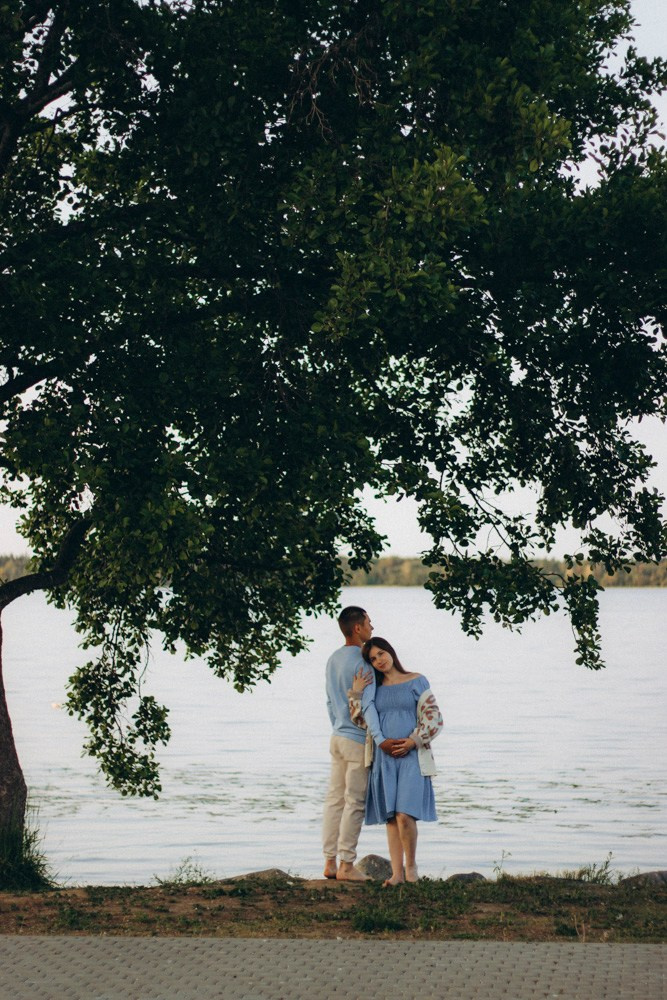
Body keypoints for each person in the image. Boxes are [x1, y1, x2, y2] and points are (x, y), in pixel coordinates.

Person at [349, 636, 443, 886]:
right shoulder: (374, 689)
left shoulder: (417, 680)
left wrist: (413, 741)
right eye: (373, 659)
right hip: (384, 757)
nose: (379, 660)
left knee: (405, 814)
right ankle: (396, 874)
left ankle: (411, 868)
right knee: (391, 818)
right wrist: (356, 692)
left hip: (412, 755)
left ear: (390, 651)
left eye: (381, 653)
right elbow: (360, 720)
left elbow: (434, 717)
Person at [321, 605, 379, 881]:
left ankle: (330, 862)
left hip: (337, 736)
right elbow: (369, 706)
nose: (372, 627)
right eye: (368, 622)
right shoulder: (364, 661)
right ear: (357, 628)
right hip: (356, 740)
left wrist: (338, 724)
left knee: (334, 800)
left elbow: (329, 702)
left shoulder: (333, 659)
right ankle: (346, 865)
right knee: (354, 802)